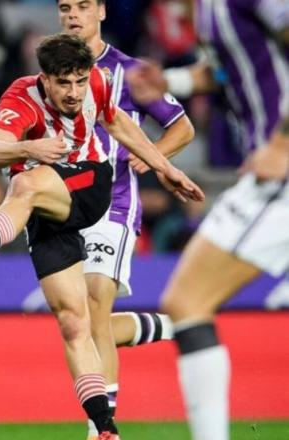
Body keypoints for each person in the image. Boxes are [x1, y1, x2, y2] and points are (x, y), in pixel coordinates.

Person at [0, 33, 204, 439]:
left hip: (90, 186)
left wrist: (164, 167)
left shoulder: (97, 82)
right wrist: (32, 146)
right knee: (74, 323)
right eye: (63, 83)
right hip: (45, 209)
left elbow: (116, 122)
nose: (73, 92)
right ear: (44, 79)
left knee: (25, 186)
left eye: (79, 82)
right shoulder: (21, 97)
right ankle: (105, 428)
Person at [126, 1, 289, 439]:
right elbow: (225, 69)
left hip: (282, 171)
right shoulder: (207, 8)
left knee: (187, 302)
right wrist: (171, 81)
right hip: (269, 169)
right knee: (186, 304)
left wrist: (285, 140)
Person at [56, 1, 197, 436]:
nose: (73, 15)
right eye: (64, 7)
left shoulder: (129, 72)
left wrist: (153, 159)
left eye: (82, 6)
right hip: (63, 207)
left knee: (95, 306)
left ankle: (103, 429)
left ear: (101, 11)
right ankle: (174, 326)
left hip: (114, 203)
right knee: (80, 323)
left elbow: (183, 127)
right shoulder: (49, 72)